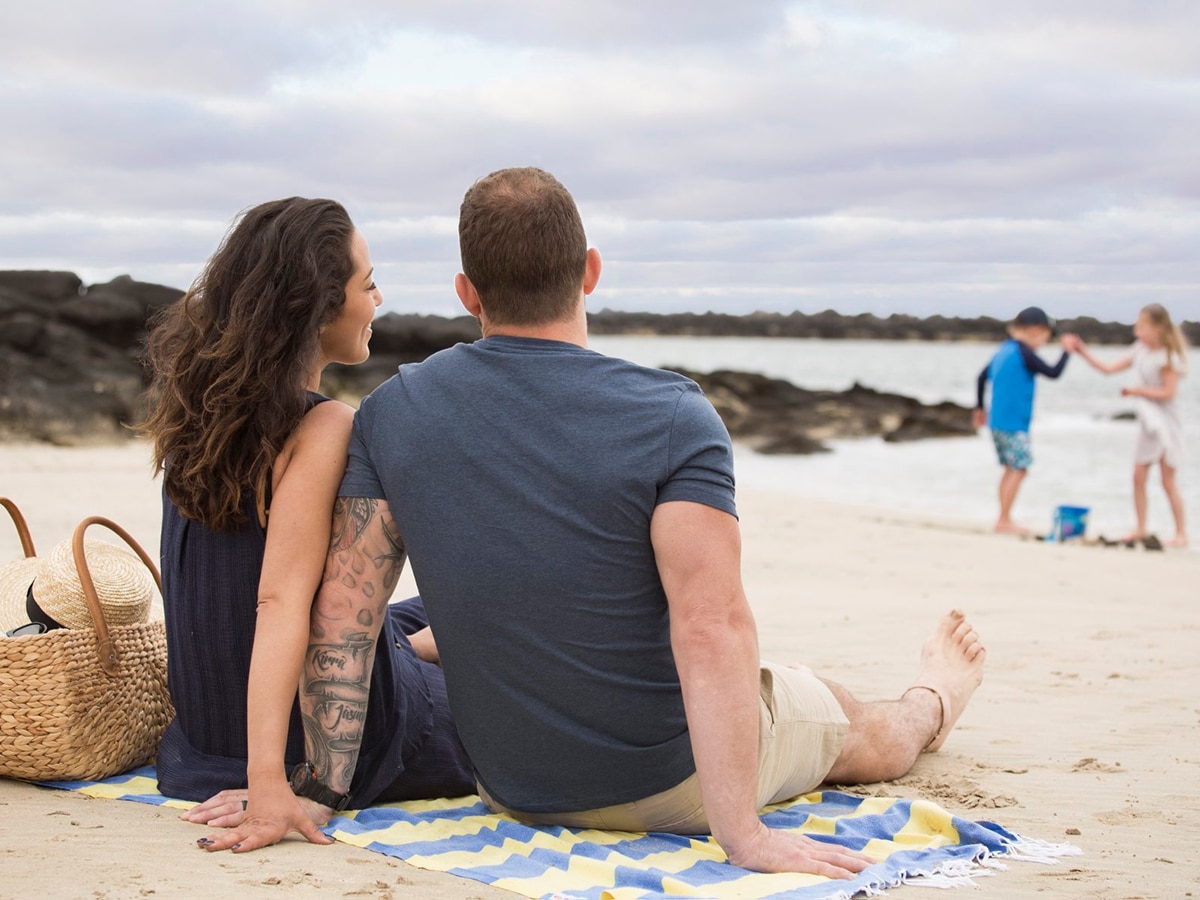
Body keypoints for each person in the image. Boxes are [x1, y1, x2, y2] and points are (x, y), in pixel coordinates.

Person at [294, 167, 987, 880]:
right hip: (664, 784)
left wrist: (319, 792)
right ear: (590, 272)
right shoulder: (673, 416)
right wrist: (742, 836)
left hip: (512, 790)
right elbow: (711, 626)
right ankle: (933, 699)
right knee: (841, 713)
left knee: (763, 676)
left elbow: (346, 618)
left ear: (466, 291)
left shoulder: (392, 412)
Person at [139, 197, 474, 853]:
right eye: (367, 282)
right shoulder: (323, 426)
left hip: (202, 740)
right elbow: (278, 600)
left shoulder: (195, 413)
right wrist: (270, 780)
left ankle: (428, 640)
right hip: (313, 734)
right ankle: (442, 647)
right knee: (495, 675)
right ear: (320, 309)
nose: (378, 298)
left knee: (413, 613)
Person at [1072, 304, 1189, 548]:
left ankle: (1181, 533)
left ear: (1158, 329)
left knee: (1168, 480)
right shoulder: (1140, 350)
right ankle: (1140, 527)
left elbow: (1168, 393)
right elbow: (1107, 369)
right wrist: (1081, 350)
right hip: (1149, 423)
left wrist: (1137, 391)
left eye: (1142, 327)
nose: (1137, 332)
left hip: (1167, 424)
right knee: (1138, 477)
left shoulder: (1168, 356)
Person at [973, 308, 1079, 535]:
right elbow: (1053, 372)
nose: (1044, 342)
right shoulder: (1023, 352)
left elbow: (981, 378)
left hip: (997, 422)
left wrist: (980, 407)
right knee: (1020, 468)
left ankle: (1003, 516)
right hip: (1013, 424)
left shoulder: (1004, 350)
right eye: (1045, 337)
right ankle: (1004, 519)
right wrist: (1067, 352)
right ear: (1034, 330)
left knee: (1010, 469)